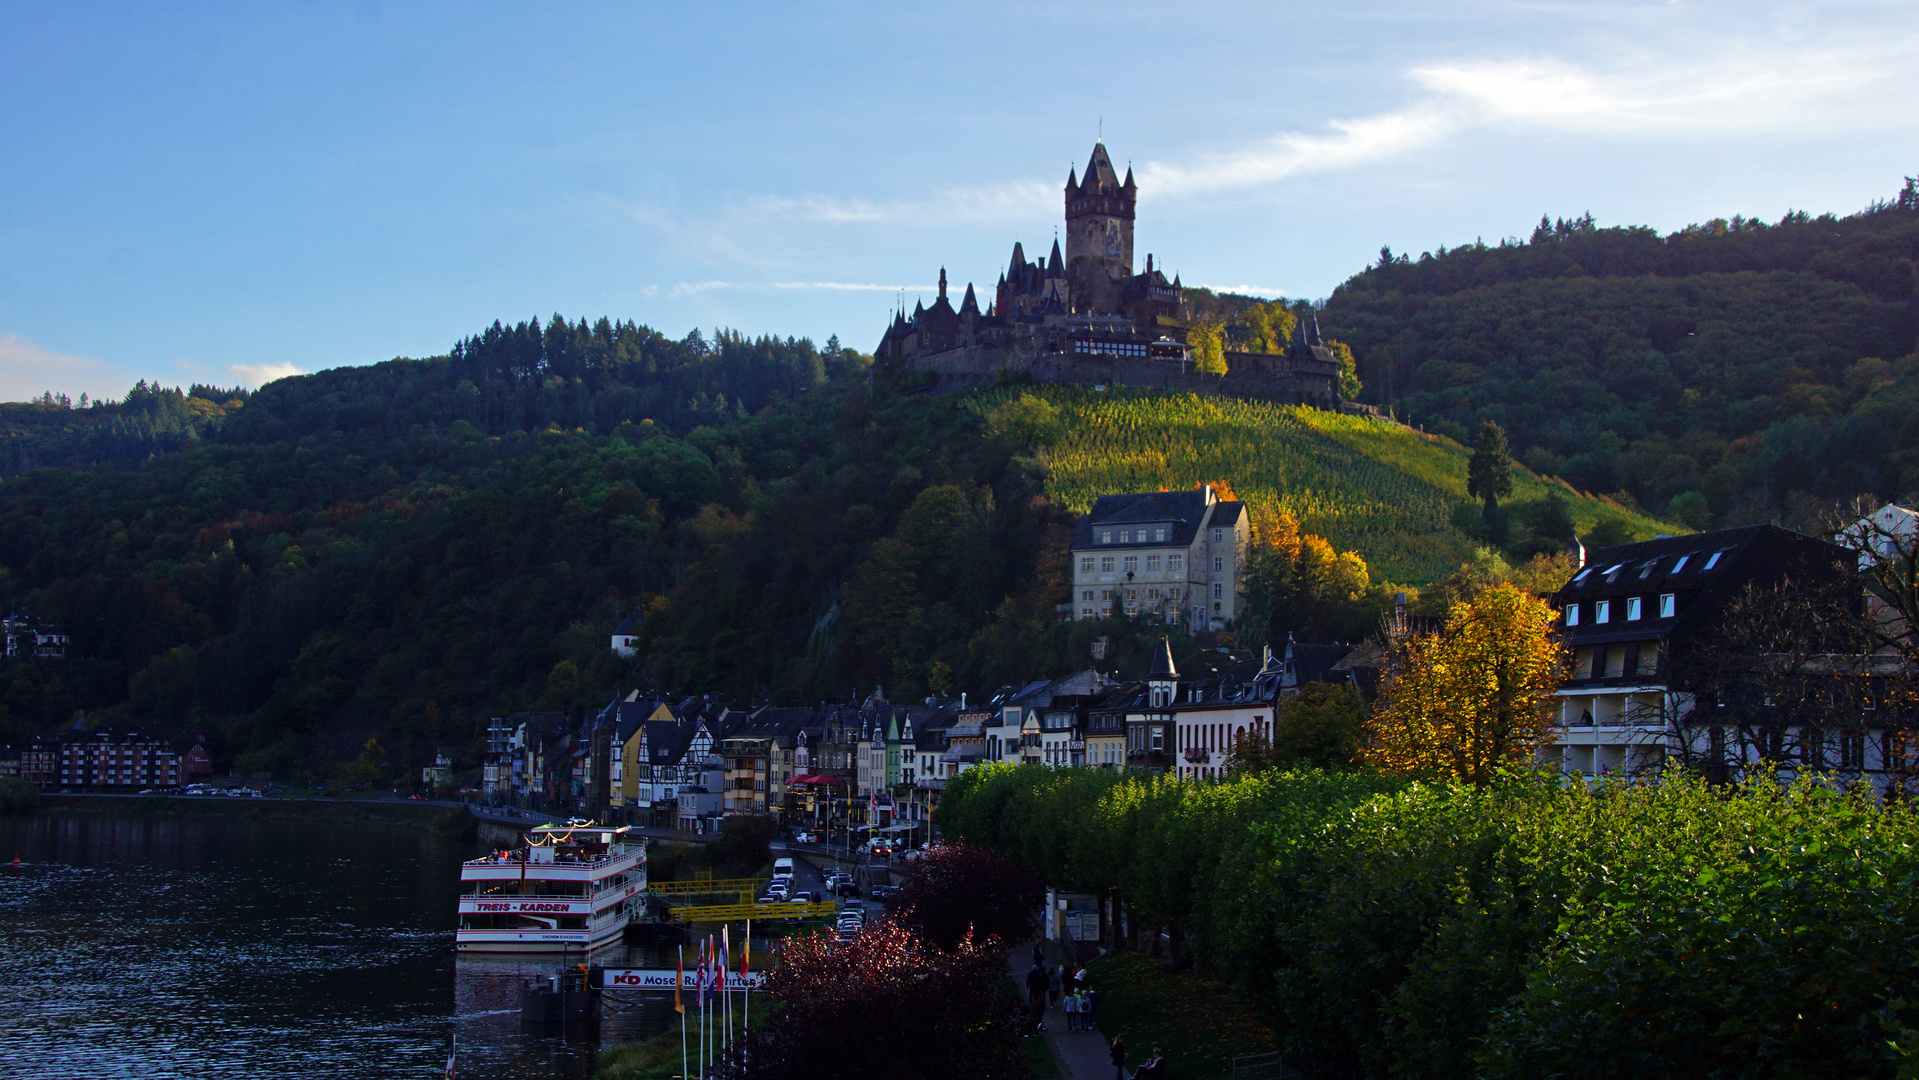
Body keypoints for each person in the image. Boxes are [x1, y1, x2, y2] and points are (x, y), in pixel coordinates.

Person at [1025, 963, 1050, 1033]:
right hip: (1039, 988)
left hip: (1036, 987)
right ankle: (1039, 1028)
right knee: (1042, 996)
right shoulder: (1039, 975)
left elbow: (1029, 979)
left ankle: (1038, 1029)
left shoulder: (1036, 974)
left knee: (1032, 995)